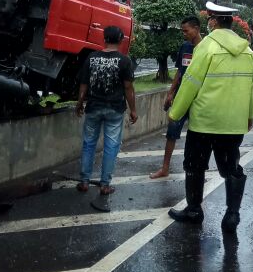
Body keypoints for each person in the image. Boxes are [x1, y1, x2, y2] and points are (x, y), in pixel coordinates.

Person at [167, 0, 253, 234]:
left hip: (205, 121)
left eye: (210, 19)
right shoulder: (247, 51)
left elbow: (191, 82)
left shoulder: (206, 47)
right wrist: (248, 116)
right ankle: (232, 214)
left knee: (195, 165)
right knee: (231, 168)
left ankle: (194, 211)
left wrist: (175, 112)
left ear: (214, 21)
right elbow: (250, 88)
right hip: (234, 123)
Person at [76, 25, 137, 212]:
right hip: (114, 110)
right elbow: (128, 88)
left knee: (88, 144)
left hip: (93, 107)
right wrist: (133, 109)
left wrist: (79, 104)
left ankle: (84, 181)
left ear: (104, 39)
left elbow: (84, 84)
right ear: (120, 40)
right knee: (111, 147)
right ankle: (104, 185)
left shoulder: (92, 58)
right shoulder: (124, 61)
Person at [149, 16, 203, 180]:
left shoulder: (207, 49)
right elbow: (180, 72)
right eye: (182, 31)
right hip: (181, 97)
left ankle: (197, 171)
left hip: (200, 99)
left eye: (186, 31)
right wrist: (171, 93)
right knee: (172, 131)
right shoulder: (185, 47)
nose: (184, 34)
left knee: (199, 136)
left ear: (197, 29)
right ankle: (165, 168)